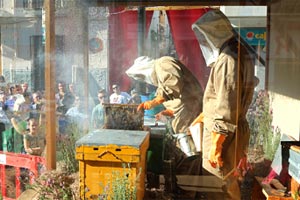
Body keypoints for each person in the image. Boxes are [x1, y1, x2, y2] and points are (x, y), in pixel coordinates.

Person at [191, 9, 256, 199]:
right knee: (228, 185)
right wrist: (204, 114)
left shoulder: (228, 58)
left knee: (218, 188)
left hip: (224, 136)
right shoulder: (239, 51)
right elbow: (230, 97)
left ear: (213, 33)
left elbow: (226, 105)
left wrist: (216, 146)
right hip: (233, 132)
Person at [126, 56, 203, 195]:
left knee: (188, 150)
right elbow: (179, 95)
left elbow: (173, 84)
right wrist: (168, 111)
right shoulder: (161, 69)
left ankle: (189, 191)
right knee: (183, 148)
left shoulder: (163, 63)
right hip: (185, 108)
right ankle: (187, 188)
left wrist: (155, 101)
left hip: (189, 107)